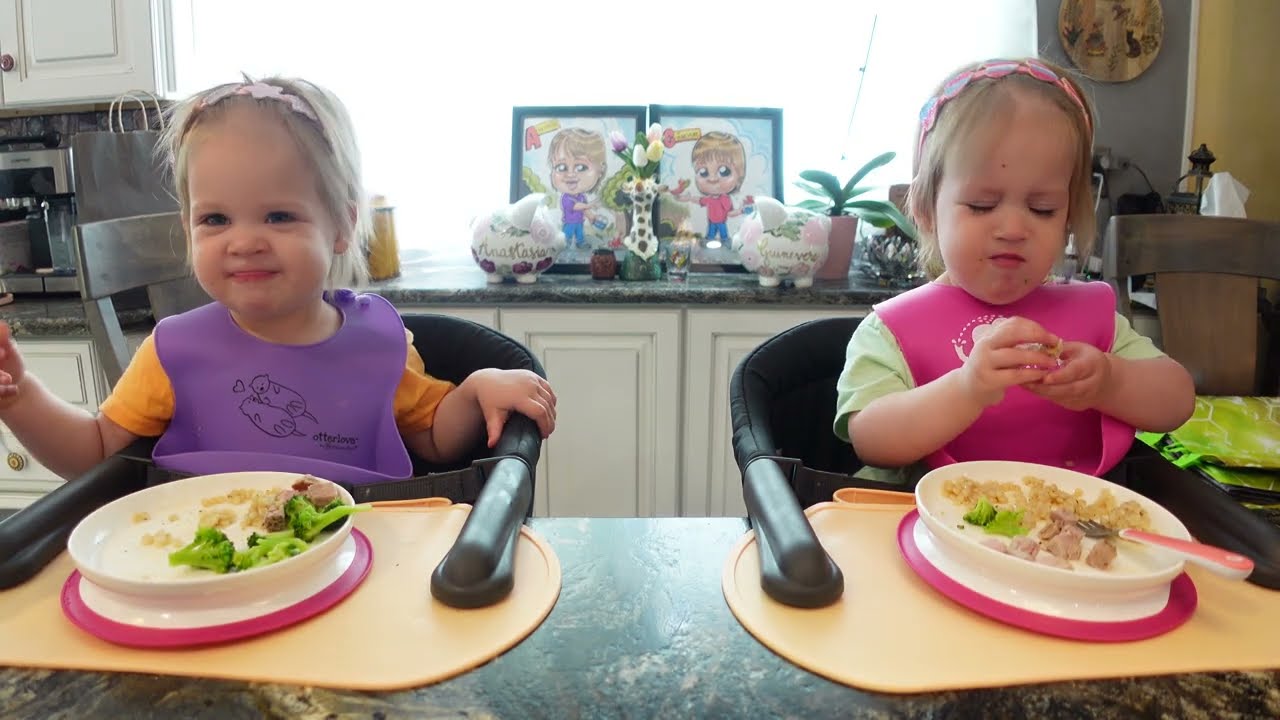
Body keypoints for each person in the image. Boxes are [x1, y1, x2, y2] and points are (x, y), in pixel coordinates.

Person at [0, 77, 557, 484]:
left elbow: (435, 435)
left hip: (355, 571)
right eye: (215, 219)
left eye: (278, 216)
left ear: (342, 225)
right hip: (206, 583)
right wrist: (20, 398)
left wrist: (478, 386)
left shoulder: (378, 345)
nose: (243, 241)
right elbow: (94, 451)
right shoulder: (173, 353)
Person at [833, 58, 1194, 484]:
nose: (1013, 229)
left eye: (1042, 210)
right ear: (927, 210)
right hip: (924, 536)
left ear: (1069, 218)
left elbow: (1177, 400)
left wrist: (1110, 381)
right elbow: (872, 438)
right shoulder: (891, 330)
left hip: (1067, 539)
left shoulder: (1091, 322)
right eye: (982, 206)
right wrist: (967, 389)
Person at [671, 131, 746, 247]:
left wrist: (741, 210)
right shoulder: (709, 199)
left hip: (721, 222)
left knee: (724, 237)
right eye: (703, 172)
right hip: (712, 222)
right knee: (710, 236)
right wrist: (686, 198)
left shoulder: (725, 199)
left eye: (724, 171)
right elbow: (697, 200)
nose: (712, 179)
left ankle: (726, 245)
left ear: (739, 175)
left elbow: (730, 213)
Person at [547, 127, 606, 249]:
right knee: (567, 235)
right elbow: (577, 207)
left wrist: (592, 217)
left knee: (580, 234)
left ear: (600, 170)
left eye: (580, 168)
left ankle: (580, 242)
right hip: (569, 223)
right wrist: (590, 205)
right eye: (561, 167)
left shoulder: (581, 196)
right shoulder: (566, 197)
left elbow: (584, 210)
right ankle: (565, 243)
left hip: (579, 221)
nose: (570, 174)